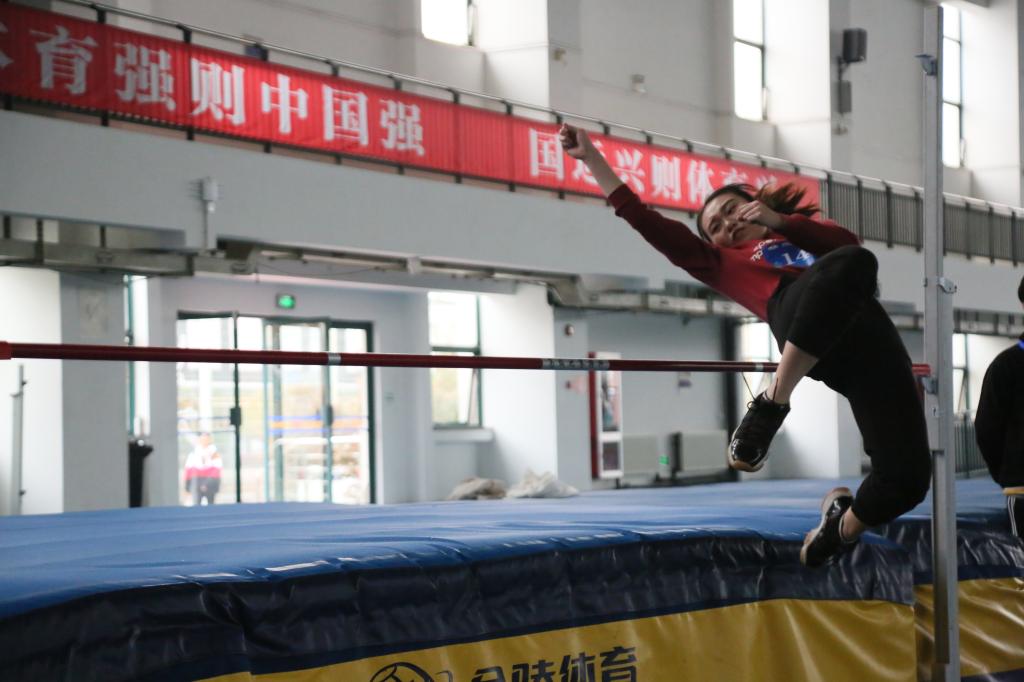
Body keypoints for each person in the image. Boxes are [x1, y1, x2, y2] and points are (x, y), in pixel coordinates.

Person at [559, 124, 931, 567]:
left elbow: (847, 246)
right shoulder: (719, 262)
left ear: (754, 203)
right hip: (795, 318)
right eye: (715, 227)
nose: (727, 224)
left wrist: (778, 223)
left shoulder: (797, 231)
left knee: (907, 479)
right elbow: (643, 218)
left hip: (868, 337)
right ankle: (772, 402)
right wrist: (592, 159)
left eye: (731, 210)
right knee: (849, 264)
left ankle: (840, 529)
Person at [974, 275, 1024, 538]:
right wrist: (1010, 475)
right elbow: (987, 430)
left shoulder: (1006, 366)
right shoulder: (1006, 367)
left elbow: (987, 430)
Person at [184, 432, 223, 506]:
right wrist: (187, 487)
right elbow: (189, 470)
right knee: (196, 505)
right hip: (197, 482)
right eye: (202, 439)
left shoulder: (215, 454)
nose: (204, 441)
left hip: (211, 482)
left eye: (206, 439)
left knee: (210, 505)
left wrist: (206, 483)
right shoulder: (194, 453)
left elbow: (216, 470)